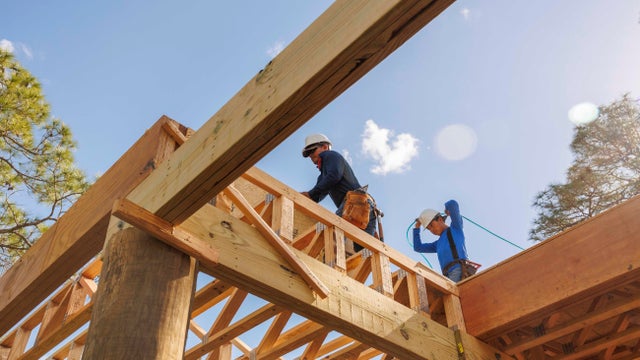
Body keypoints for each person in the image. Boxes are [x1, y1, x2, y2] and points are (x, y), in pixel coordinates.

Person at [300, 133, 377, 252]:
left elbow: (333, 176)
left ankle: (328, 266)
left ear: (325, 147)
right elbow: (318, 193)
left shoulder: (330, 155)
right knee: (362, 251)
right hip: (365, 207)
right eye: (308, 154)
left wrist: (310, 194)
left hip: (355, 203)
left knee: (334, 238)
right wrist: (308, 197)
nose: (311, 156)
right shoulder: (324, 176)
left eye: (312, 151)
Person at [413, 199, 468, 282]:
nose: (432, 230)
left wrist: (448, 209)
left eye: (431, 225)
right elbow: (418, 247)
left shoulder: (456, 228)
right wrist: (417, 228)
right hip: (446, 276)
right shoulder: (437, 244)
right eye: (429, 229)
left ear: (440, 219)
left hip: (458, 270)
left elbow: (453, 203)